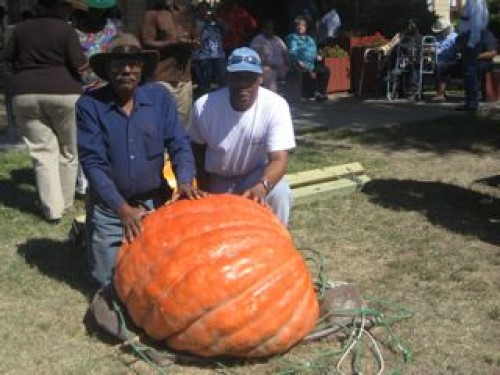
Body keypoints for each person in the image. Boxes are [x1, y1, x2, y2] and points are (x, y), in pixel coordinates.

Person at [77, 33, 206, 289]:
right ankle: (89, 234)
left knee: (162, 279)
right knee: (108, 285)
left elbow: (179, 142)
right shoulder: (89, 104)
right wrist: (122, 209)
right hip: (111, 208)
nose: (127, 70)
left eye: (133, 64)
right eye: (118, 65)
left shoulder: (160, 98)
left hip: (153, 201)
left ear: (142, 68)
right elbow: (93, 163)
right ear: (107, 70)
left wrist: (185, 180)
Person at [0, 0, 88, 223]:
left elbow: (5, 60)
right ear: (60, 7)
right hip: (65, 93)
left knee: (42, 152)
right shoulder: (66, 30)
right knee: (69, 151)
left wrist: (16, 82)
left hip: (25, 94)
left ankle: (52, 209)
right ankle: (66, 203)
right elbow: (79, 63)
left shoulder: (20, 29)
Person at [189, 47, 295, 226]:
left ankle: (276, 246)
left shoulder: (276, 106)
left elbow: (279, 160)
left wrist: (262, 187)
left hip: (256, 176)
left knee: (281, 193)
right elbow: (197, 150)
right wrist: (204, 189)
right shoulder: (204, 106)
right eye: (237, 77)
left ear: (260, 79)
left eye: (249, 78)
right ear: (228, 78)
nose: (243, 84)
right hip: (219, 178)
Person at [71, 0, 122, 196]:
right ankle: (84, 182)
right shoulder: (72, 29)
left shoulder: (113, 28)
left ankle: (107, 177)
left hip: (107, 87)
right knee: (84, 136)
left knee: (106, 135)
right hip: (80, 89)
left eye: (100, 11)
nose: (96, 14)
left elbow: (119, 52)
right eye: (93, 10)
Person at [139, 0, 200, 126]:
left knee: (183, 125)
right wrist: (173, 43)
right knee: (159, 122)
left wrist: (193, 43)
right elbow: (146, 42)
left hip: (184, 79)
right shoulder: (151, 14)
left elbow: (196, 38)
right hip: (161, 77)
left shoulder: (185, 13)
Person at [455, 0, 490, 111]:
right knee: (468, 71)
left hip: (471, 38)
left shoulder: (475, 2)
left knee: (470, 71)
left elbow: (477, 22)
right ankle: (470, 101)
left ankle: (472, 102)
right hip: (469, 37)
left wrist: (471, 43)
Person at [286, 16, 330, 102]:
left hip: (311, 64)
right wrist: (298, 61)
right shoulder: (293, 38)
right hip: (298, 63)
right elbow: (292, 51)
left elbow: (313, 51)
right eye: (298, 25)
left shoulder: (310, 39)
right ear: (295, 27)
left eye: (302, 25)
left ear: (305, 27)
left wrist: (317, 56)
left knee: (325, 70)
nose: (300, 27)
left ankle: (321, 92)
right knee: (307, 71)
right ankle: (315, 93)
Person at [377, 18, 423, 98]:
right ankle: (392, 88)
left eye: (411, 25)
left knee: (413, 66)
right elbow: (390, 45)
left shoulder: (419, 38)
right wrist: (383, 49)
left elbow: (420, 51)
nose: (409, 27)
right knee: (393, 60)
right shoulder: (400, 35)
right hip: (398, 59)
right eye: (408, 25)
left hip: (413, 60)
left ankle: (411, 90)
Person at [192, 1, 227, 96]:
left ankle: (222, 99)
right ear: (198, 10)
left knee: (223, 81)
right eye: (202, 9)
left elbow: (227, 30)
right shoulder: (195, 21)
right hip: (202, 56)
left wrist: (216, 19)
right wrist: (204, 23)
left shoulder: (215, 21)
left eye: (207, 9)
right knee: (205, 83)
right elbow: (195, 35)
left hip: (218, 54)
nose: (205, 11)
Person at [250, 19, 289, 93]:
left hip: (280, 67)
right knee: (269, 72)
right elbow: (253, 56)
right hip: (264, 66)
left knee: (292, 69)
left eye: (270, 28)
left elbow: (285, 52)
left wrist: (286, 63)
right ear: (263, 29)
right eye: (266, 28)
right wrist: (267, 63)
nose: (269, 30)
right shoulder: (257, 40)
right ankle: (272, 95)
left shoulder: (277, 40)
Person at [430, 18, 459, 102]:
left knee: (441, 66)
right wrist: (431, 49)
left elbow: (457, 51)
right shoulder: (438, 37)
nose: (440, 32)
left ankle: (440, 94)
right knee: (438, 65)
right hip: (437, 60)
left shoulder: (455, 37)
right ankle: (440, 93)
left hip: (451, 60)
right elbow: (434, 47)